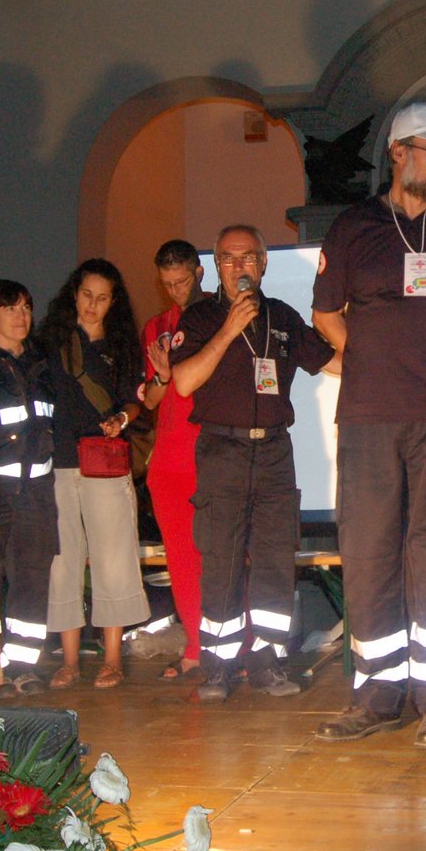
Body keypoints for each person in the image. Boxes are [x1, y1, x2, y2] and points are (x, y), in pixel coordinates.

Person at [310, 101, 426, 750]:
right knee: (370, 551)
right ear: (398, 153)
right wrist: (383, 362)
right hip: (369, 416)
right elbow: (327, 317)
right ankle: (377, 694)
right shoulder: (355, 226)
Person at [169, 224, 338, 702]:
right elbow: (183, 383)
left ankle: (266, 663)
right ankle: (218, 668)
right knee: (221, 560)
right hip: (223, 451)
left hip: (274, 454)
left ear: (263, 265)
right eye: (229, 258)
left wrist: (387, 361)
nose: (239, 267)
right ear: (217, 266)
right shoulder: (201, 317)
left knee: (273, 561)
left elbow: (331, 361)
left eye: (249, 258)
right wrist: (228, 330)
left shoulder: (281, 316)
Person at [37, 259, 151, 690]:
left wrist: (121, 417)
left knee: (113, 556)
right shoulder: (51, 341)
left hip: (104, 460)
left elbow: (136, 400)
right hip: (59, 460)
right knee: (63, 560)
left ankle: (113, 659)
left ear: (113, 302)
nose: (92, 305)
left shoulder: (121, 345)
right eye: (87, 295)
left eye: (102, 298)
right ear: (73, 292)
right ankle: (68, 661)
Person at [0, 279, 58, 696]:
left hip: (38, 487)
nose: (21, 316)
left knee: (32, 576)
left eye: (26, 307)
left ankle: (23, 665)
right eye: (10, 309)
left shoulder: (41, 360)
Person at [140, 239, 207, 684]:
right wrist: (163, 375)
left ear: (199, 272)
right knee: (181, 559)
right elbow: (153, 398)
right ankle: (195, 647)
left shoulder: (220, 315)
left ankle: (234, 646)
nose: (176, 291)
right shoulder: (157, 326)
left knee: (221, 555)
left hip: (214, 453)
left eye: (182, 281)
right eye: (167, 284)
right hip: (168, 460)